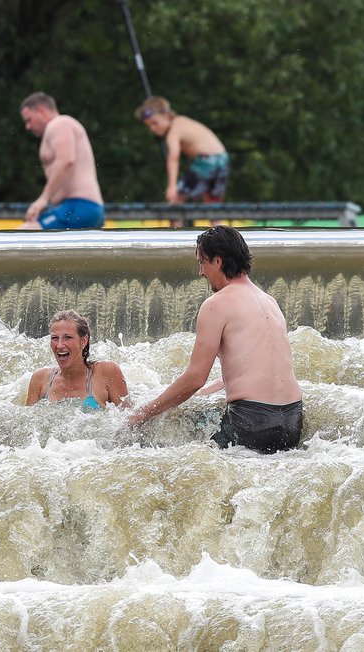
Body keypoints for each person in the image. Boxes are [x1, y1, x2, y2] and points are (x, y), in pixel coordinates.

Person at [128, 226, 303, 453]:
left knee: (177, 456)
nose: (201, 272)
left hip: (251, 423)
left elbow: (195, 378)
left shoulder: (216, 304)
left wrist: (143, 413)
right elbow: (253, 370)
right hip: (292, 421)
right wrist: (204, 394)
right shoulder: (269, 301)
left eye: (202, 262)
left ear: (218, 261)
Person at [134, 96, 229, 228]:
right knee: (213, 209)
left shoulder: (174, 130)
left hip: (207, 161)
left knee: (174, 202)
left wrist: (172, 186)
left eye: (155, 122)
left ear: (166, 115)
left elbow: (173, 157)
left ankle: (174, 234)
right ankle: (223, 238)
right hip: (223, 159)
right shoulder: (183, 121)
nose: (153, 129)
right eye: (149, 125)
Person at [18, 93, 104, 230]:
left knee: (23, 236)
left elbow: (66, 161)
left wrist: (43, 199)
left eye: (29, 120)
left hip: (79, 206)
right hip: (82, 207)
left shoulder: (59, 123)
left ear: (41, 111)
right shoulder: (61, 126)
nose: (27, 126)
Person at [26, 310, 129, 410]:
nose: (60, 345)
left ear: (83, 341)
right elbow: (25, 424)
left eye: (68, 337)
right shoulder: (40, 379)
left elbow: (128, 420)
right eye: (55, 338)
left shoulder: (106, 372)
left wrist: (144, 411)